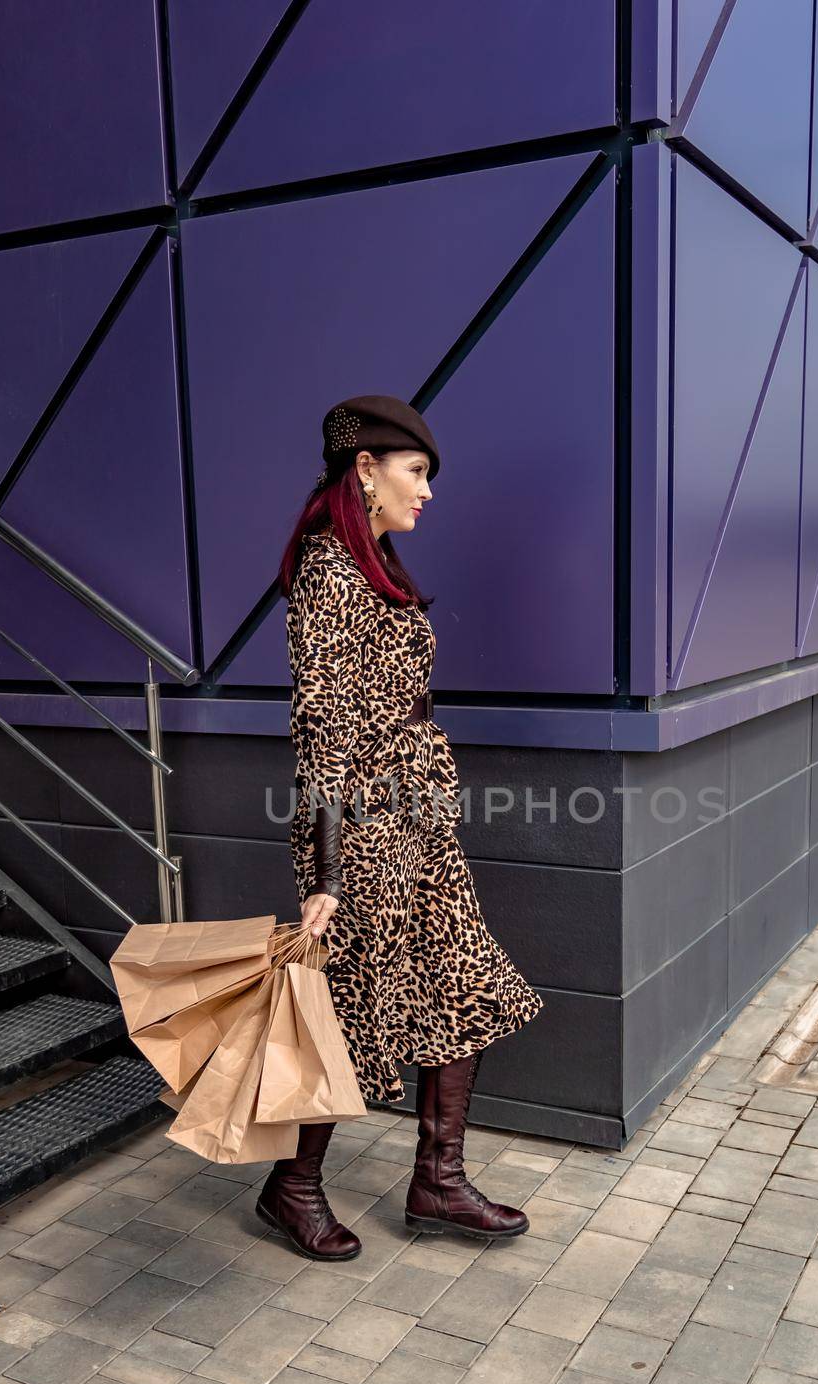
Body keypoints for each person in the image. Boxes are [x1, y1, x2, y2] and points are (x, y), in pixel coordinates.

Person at [257, 395, 545, 1261]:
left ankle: (438, 1182)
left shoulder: (371, 560)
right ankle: (292, 1186)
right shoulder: (329, 572)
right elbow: (324, 729)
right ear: (365, 468)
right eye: (416, 472)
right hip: (365, 825)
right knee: (343, 1003)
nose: (427, 492)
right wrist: (326, 874)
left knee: (463, 980)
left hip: (416, 811)